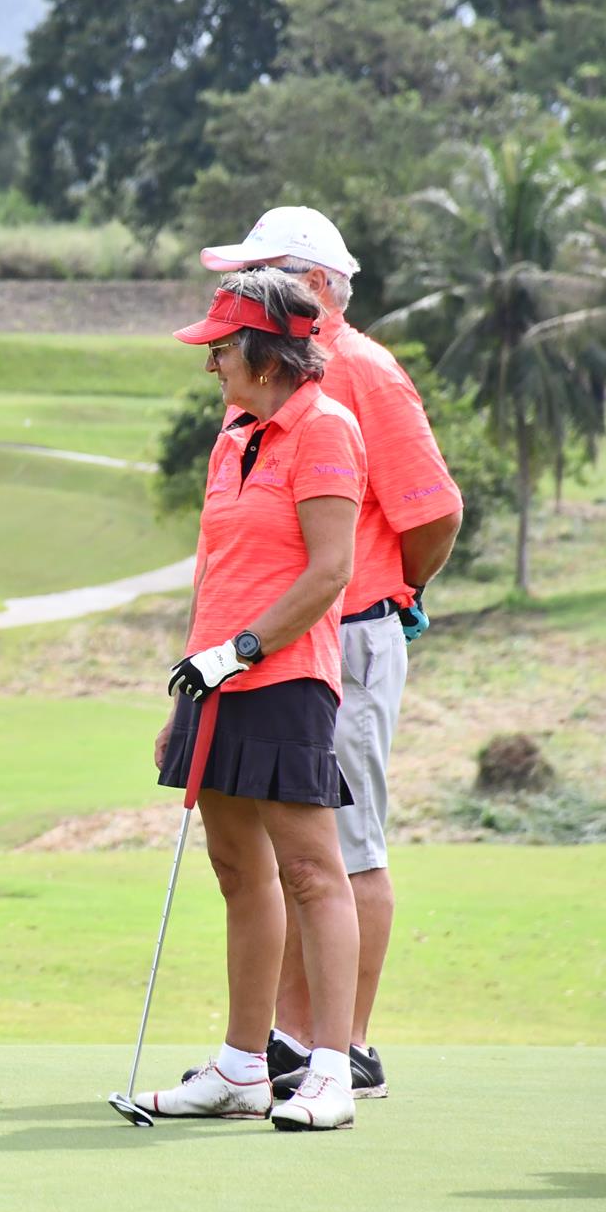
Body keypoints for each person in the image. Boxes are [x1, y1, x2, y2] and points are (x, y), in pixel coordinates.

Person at [195, 208, 464, 1100]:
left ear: (308, 286)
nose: (236, 302)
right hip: (277, 645)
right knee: (282, 854)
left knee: (341, 847)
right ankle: (284, 1043)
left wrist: (397, 595)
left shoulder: (362, 376)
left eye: (256, 277)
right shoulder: (254, 403)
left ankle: (343, 1048)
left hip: (345, 635)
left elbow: (433, 512)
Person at [135, 269, 367, 1131]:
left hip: (284, 678)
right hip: (215, 680)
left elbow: (331, 569)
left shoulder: (327, 428)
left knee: (310, 872)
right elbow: (218, 572)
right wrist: (187, 693)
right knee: (237, 873)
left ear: (267, 356)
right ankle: (240, 1067)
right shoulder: (235, 436)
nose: (214, 368)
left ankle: (333, 1073)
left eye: (222, 352)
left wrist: (241, 651)